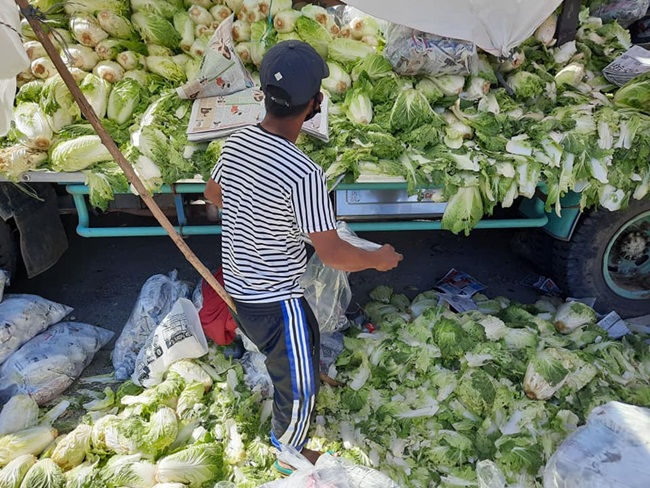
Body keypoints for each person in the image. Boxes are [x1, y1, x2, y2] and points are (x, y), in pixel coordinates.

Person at [204, 40, 403, 472]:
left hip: (237, 287)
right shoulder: (303, 173)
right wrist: (378, 259)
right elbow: (331, 255)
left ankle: (303, 386)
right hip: (275, 298)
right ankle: (286, 449)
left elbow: (213, 194)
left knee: (305, 338)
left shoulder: (235, 143)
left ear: (263, 95)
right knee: (297, 383)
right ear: (315, 104)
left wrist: (258, 210)